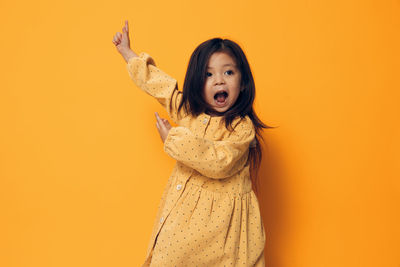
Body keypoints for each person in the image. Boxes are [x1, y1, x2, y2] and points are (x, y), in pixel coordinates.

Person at [112, 20, 275, 267]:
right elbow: (164, 88)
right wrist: (128, 53)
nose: (219, 80)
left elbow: (220, 162)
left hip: (223, 231)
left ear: (242, 82)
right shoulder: (191, 114)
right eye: (208, 74)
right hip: (182, 225)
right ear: (198, 84)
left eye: (228, 72)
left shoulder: (241, 128)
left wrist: (174, 140)